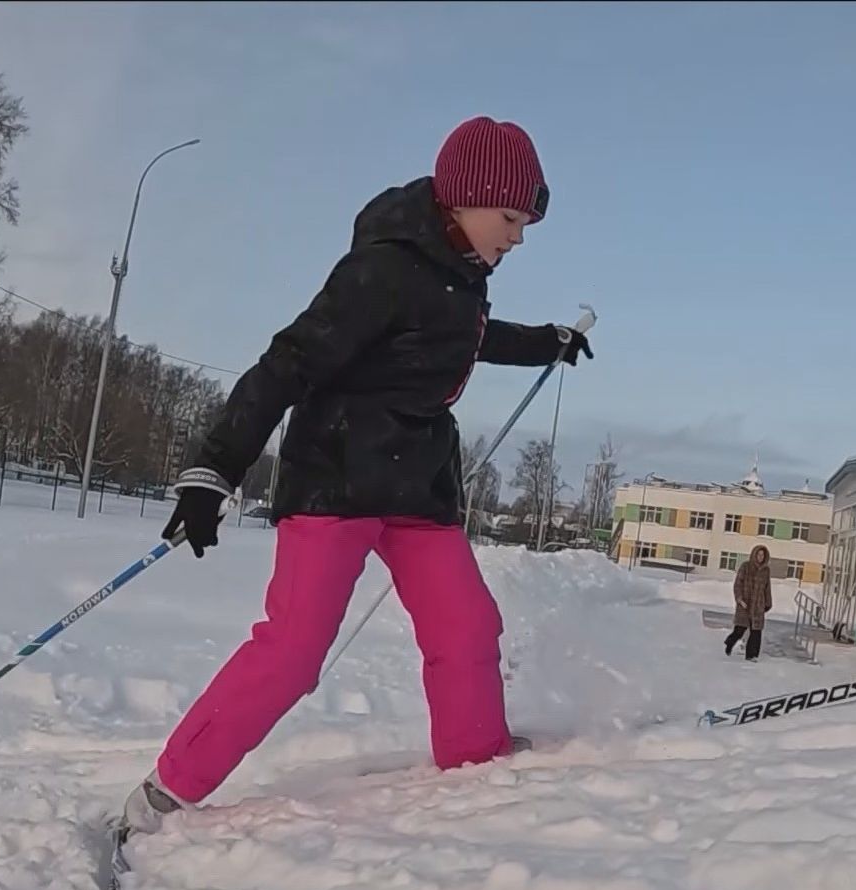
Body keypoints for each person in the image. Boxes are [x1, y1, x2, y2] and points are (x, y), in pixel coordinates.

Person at [122, 117, 595, 833]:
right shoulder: (381, 269)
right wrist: (214, 468)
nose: (518, 236)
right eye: (510, 217)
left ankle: (476, 771)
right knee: (295, 649)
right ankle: (167, 789)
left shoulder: (463, 279)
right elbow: (288, 361)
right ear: (465, 200)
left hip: (417, 485)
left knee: (467, 625)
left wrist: (547, 344)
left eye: (525, 221)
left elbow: (468, 337)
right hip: (336, 478)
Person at [723, 545, 773, 661]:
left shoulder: (766, 570)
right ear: (754, 554)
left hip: (758, 606)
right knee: (739, 630)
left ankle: (752, 655)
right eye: (759, 554)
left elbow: (767, 588)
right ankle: (729, 643)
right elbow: (738, 584)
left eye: (762, 555)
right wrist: (739, 599)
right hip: (745, 604)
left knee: (756, 631)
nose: (760, 557)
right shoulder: (745, 567)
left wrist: (768, 603)